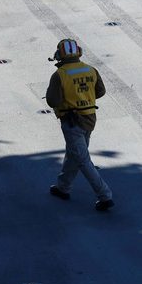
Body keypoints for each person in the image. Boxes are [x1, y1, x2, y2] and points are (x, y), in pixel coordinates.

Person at [45, 38, 114, 211]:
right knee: (74, 154)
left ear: (60, 54)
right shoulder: (91, 70)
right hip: (90, 118)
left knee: (83, 160)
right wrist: (83, 97)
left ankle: (105, 195)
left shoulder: (59, 75)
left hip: (71, 121)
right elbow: (100, 91)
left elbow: (52, 101)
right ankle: (63, 187)